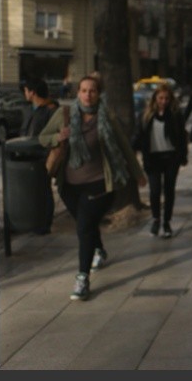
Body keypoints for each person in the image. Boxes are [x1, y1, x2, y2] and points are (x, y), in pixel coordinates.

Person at [39, 74, 146, 301]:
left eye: (93, 91)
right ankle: (99, 249)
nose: (88, 95)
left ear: (99, 94)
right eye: (84, 90)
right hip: (68, 186)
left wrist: (138, 174)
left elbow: (124, 146)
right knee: (85, 226)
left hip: (100, 184)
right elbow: (42, 137)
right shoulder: (64, 115)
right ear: (78, 93)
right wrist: (58, 136)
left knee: (84, 228)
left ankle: (82, 278)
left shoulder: (107, 116)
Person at [133, 83, 188, 238]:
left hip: (171, 157)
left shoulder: (175, 115)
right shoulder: (146, 115)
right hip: (153, 158)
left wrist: (183, 156)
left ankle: (167, 222)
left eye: (166, 98)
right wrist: (132, 149)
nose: (163, 101)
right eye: (161, 98)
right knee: (155, 190)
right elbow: (139, 135)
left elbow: (182, 137)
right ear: (155, 99)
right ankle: (156, 218)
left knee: (169, 190)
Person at [20, 78, 59, 235]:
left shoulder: (50, 110)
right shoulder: (30, 109)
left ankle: (44, 224)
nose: (24, 94)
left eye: (26, 91)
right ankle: (33, 221)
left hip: (42, 156)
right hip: (27, 156)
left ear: (32, 92)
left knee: (44, 189)